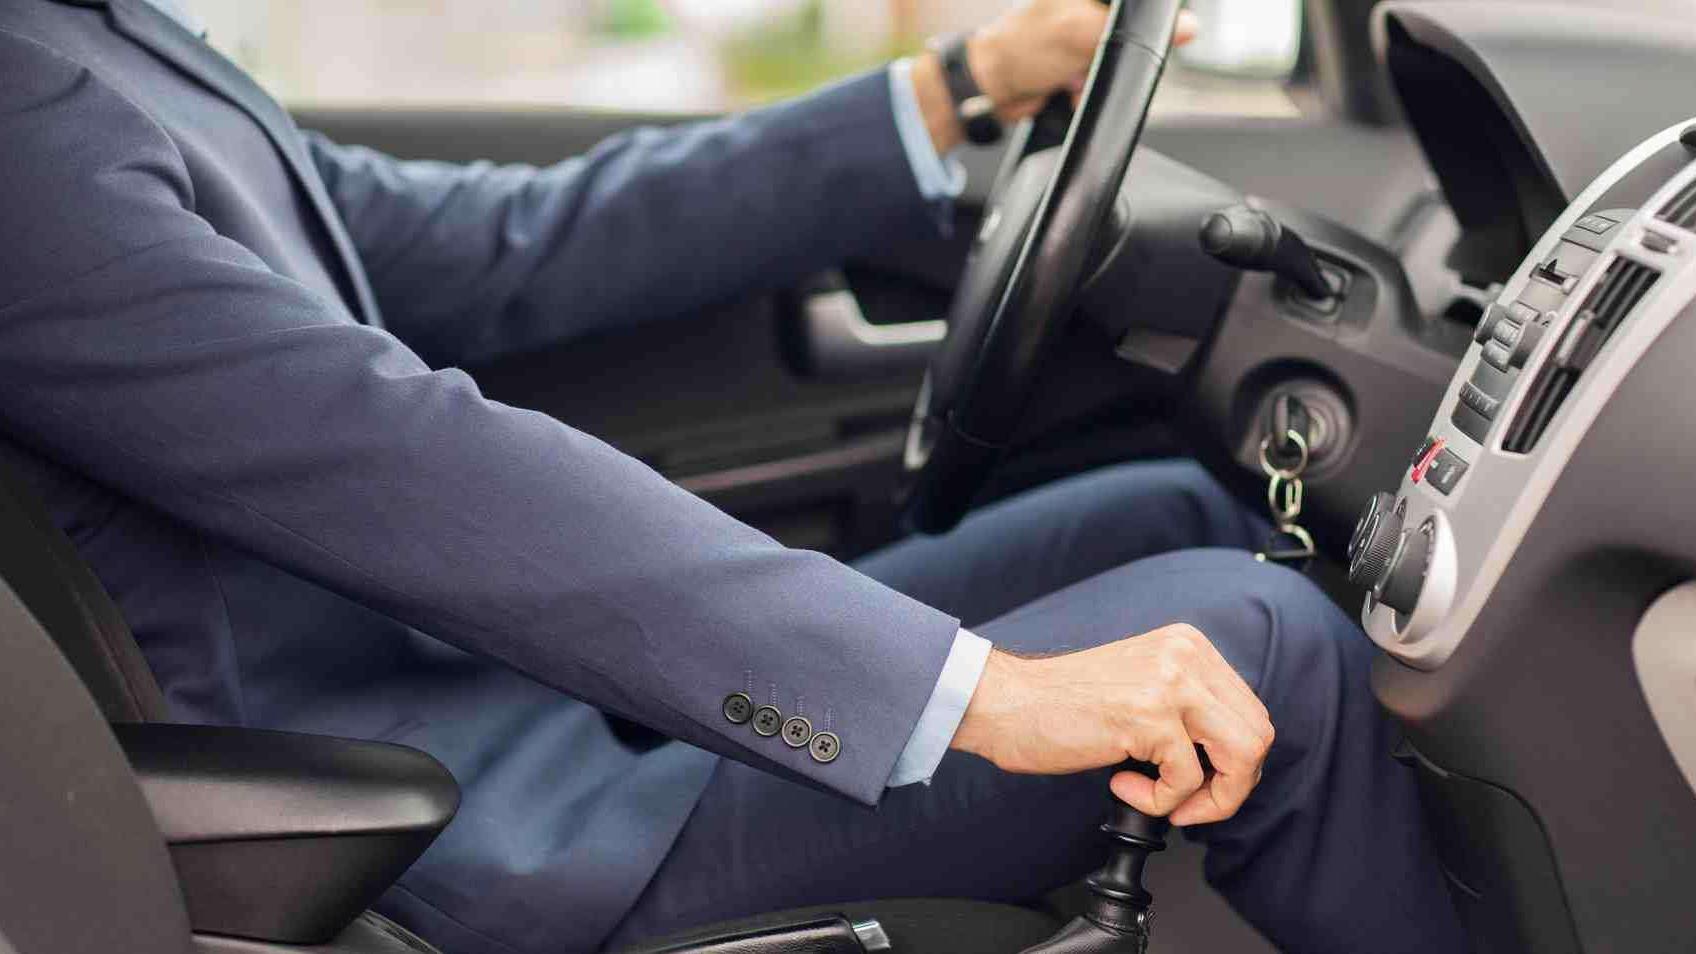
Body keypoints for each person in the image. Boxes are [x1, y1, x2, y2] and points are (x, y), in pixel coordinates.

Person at [0, 0, 1466, 952]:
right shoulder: (22, 113)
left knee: (1181, 510)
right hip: (428, 815)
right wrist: (985, 698)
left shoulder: (90, 38)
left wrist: (952, 89)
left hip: (522, 701)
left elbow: (495, 248)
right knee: (1259, 645)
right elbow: (389, 452)